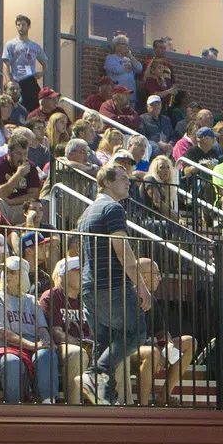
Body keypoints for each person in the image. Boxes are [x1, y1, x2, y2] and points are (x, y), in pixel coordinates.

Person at [76, 163, 152, 404]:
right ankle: (95, 374)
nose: (128, 182)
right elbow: (122, 250)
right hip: (114, 285)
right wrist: (141, 285)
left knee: (106, 341)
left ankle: (103, 395)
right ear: (107, 182)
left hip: (90, 287)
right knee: (136, 333)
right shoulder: (114, 209)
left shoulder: (86, 213)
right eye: (122, 178)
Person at [0, 256, 61, 404]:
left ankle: (48, 404)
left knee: (46, 355)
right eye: (6, 272)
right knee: (12, 362)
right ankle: (15, 407)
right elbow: (1, 332)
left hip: (27, 348)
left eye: (12, 272)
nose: (7, 276)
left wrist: (47, 342)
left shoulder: (31, 301)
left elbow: (42, 329)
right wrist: (31, 346)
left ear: (22, 275)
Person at [1, 14, 46, 108]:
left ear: (28, 26)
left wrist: (41, 73)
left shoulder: (35, 46)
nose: (20, 27)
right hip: (17, 80)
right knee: (17, 106)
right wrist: (9, 81)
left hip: (30, 80)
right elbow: (6, 64)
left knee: (35, 106)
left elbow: (45, 62)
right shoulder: (11, 44)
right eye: (18, 25)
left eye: (23, 25)